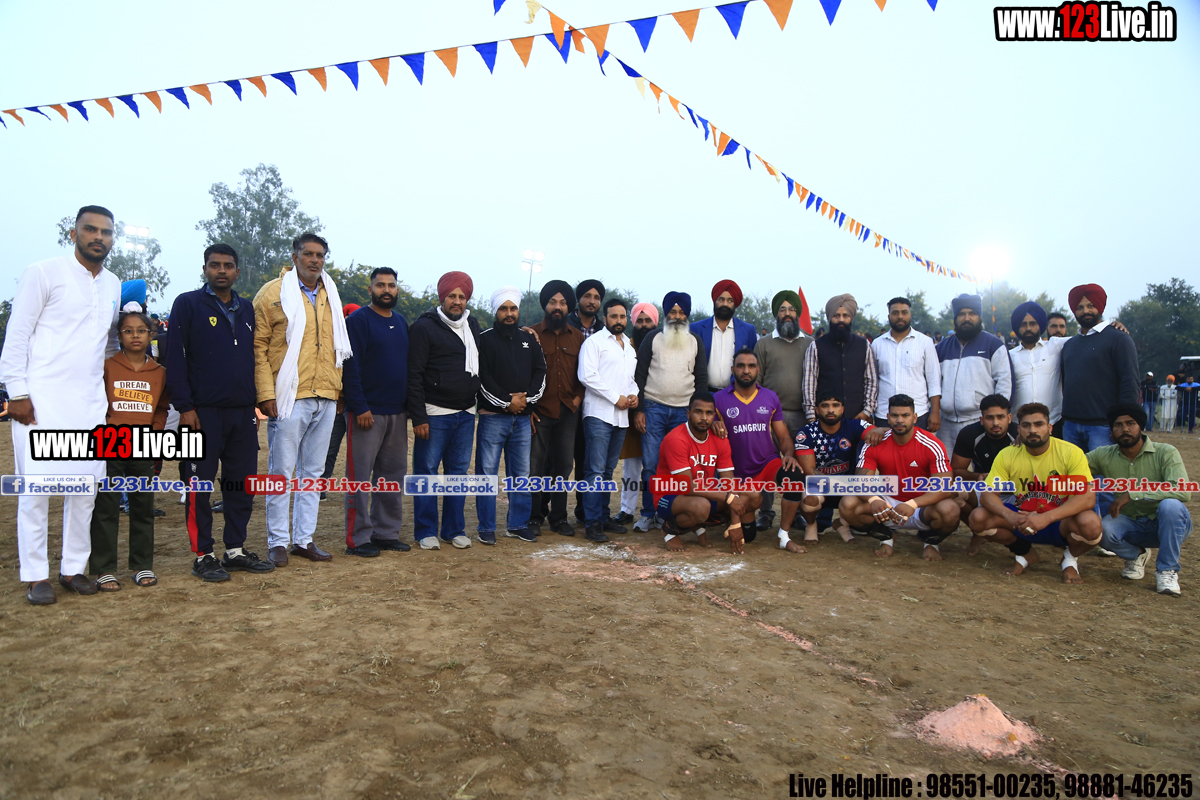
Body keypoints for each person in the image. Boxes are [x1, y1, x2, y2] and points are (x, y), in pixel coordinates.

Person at [1, 206, 121, 604]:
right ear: (74, 234)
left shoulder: (113, 284)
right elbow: (17, 335)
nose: (98, 237)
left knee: (85, 490)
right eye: (90, 229)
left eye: (105, 232)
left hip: (89, 402)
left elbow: (107, 343)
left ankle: (73, 568)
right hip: (41, 401)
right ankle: (35, 576)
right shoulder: (42, 272)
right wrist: (17, 393)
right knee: (36, 491)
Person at [168, 244, 273, 580]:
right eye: (215, 265)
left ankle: (235, 550)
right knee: (199, 484)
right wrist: (185, 407)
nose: (222, 271)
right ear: (205, 270)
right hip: (202, 413)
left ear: (237, 272)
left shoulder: (246, 308)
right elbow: (175, 357)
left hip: (242, 412)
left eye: (228, 265)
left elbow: (254, 357)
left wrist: (255, 404)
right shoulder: (187, 304)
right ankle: (203, 555)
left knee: (240, 484)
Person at [254, 233, 352, 566]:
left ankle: (304, 539)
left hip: (326, 393)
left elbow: (338, 347)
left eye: (320, 255)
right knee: (281, 471)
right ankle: (278, 541)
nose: (314, 260)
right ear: (295, 257)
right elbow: (259, 348)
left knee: (313, 472)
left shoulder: (330, 293)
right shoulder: (273, 293)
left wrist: (338, 391)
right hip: (288, 395)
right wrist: (266, 393)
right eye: (308, 254)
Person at [968, 402, 1103, 583]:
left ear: (1050, 428)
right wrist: (1009, 515)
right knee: (978, 518)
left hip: (1060, 520)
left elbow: (1087, 497)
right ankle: (1024, 553)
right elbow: (987, 494)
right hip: (1022, 518)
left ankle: (1070, 560)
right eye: (1026, 425)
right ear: (1019, 430)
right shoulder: (1007, 454)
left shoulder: (1071, 452)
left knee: (1091, 524)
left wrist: (1047, 517)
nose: (1032, 430)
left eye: (1038, 424)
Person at [89, 310, 171, 591]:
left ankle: (141, 564)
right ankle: (104, 568)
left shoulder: (159, 372)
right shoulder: (107, 367)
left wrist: (155, 430)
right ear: (119, 336)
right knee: (106, 506)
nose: (135, 335)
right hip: (110, 444)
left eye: (141, 330)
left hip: (143, 446)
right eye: (128, 331)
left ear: (151, 335)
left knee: (142, 505)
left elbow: (161, 408)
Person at [406, 271, 482, 550]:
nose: (457, 301)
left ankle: (453, 529)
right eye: (452, 295)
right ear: (442, 297)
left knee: (458, 474)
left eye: (462, 296)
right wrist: (419, 416)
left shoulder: (472, 325)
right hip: (434, 413)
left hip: (466, 413)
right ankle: (425, 531)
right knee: (426, 472)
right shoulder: (424, 327)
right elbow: (413, 374)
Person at [341, 269, 411, 557]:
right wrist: (360, 406)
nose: (386, 290)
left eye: (391, 285)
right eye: (380, 285)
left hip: (397, 412)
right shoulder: (358, 321)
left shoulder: (401, 322)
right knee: (359, 477)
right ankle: (357, 538)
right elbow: (350, 366)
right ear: (370, 290)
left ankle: (386, 533)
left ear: (397, 290)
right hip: (366, 413)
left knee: (392, 476)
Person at [839, 394, 960, 560]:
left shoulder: (932, 444)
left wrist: (913, 503)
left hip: (922, 505)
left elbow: (944, 487)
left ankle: (931, 542)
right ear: (888, 418)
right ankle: (886, 538)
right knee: (848, 504)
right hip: (888, 504)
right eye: (895, 415)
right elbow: (861, 483)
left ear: (915, 418)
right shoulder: (876, 442)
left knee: (950, 510)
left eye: (905, 415)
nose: (899, 420)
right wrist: (873, 499)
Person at [1089, 403, 1192, 596]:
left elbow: (1183, 491)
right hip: (1129, 523)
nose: (1125, 429)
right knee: (1100, 529)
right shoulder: (1103, 455)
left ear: (1141, 426)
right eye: (1118, 425)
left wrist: (1133, 493)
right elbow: (1073, 463)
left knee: (1171, 506)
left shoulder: (1166, 452)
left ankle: (1167, 571)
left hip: (1166, 524)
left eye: (1130, 423)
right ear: (1111, 431)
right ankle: (1137, 555)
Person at [475, 287, 547, 545]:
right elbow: (482, 377)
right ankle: (486, 527)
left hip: (523, 420)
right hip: (493, 418)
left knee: (521, 474)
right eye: (503, 309)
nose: (509, 313)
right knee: (487, 474)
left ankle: (517, 525)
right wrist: (507, 402)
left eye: (513, 308)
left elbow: (541, 372)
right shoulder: (484, 340)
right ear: (495, 311)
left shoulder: (529, 340)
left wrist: (525, 401)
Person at [713, 349, 804, 553]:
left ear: (758, 369)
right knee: (749, 536)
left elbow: (783, 436)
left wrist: (789, 455)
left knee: (794, 475)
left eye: (751, 366)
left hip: (767, 464)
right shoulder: (718, 399)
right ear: (732, 369)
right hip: (735, 473)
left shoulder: (770, 397)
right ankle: (730, 516)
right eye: (741, 366)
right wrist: (712, 424)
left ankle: (784, 536)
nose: (746, 370)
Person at [632, 292, 708, 533]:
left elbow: (701, 378)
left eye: (681, 312)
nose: (677, 317)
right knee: (651, 465)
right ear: (666, 314)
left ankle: (669, 514)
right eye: (673, 312)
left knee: (679, 467)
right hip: (653, 408)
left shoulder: (695, 341)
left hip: (684, 412)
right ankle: (648, 513)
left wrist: (699, 412)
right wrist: (639, 410)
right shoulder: (653, 338)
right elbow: (640, 375)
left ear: (687, 315)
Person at [652, 393, 762, 554]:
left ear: (714, 416)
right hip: (670, 496)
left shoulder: (719, 438)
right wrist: (728, 498)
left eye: (709, 413)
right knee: (701, 506)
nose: (704, 417)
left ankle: (701, 524)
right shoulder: (676, 439)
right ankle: (670, 528)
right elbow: (687, 487)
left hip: (703, 493)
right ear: (688, 414)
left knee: (753, 495)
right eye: (698, 412)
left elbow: (729, 483)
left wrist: (736, 523)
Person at [785, 393, 884, 545]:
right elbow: (810, 472)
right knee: (810, 499)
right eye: (825, 406)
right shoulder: (805, 433)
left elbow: (881, 432)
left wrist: (879, 430)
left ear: (842, 409)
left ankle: (842, 523)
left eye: (835, 405)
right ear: (817, 410)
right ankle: (811, 525)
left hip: (848, 487)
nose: (830, 410)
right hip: (821, 486)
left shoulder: (853, 425)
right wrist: (844, 484)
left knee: (875, 504)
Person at [578, 298, 639, 543]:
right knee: (594, 471)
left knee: (607, 471)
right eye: (614, 316)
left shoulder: (629, 347)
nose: (618, 320)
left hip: (621, 418)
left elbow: (630, 380)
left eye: (622, 316)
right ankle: (592, 523)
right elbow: (587, 376)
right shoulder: (594, 343)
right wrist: (616, 398)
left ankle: (603, 517)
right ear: (605, 319)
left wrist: (633, 395)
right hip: (599, 414)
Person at [528, 280, 585, 537]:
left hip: (568, 412)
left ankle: (559, 518)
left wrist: (578, 398)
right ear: (545, 305)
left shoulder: (578, 338)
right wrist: (528, 408)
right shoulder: (531, 334)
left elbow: (584, 373)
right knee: (535, 467)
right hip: (539, 411)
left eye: (562, 302)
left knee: (563, 467)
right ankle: (533, 516)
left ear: (569, 306)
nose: (558, 307)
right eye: (553, 302)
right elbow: (524, 373)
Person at [754, 290, 811, 530]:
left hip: (801, 415)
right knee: (767, 463)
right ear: (776, 314)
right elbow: (756, 381)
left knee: (798, 465)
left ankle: (796, 512)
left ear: (798, 313)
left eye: (792, 309)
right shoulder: (764, 344)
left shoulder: (810, 343)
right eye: (782, 309)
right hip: (769, 417)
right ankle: (765, 512)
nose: (787, 314)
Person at [1061, 283, 1139, 452]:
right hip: (1070, 426)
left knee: (1100, 470)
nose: (1085, 311)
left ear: (1100, 306)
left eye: (1090, 305)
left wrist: (1122, 423)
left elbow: (1129, 382)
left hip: (1103, 427)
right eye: (1080, 307)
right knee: (1072, 470)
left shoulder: (1119, 339)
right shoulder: (1069, 345)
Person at [934, 293, 1013, 457]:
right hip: (946, 424)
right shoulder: (941, 348)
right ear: (955, 319)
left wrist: (994, 418)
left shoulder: (994, 345)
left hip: (979, 422)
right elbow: (933, 383)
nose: (966, 318)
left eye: (972, 314)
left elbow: (1005, 384)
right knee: (947, 468)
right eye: (961, 314)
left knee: (979, 470)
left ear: (979, 317)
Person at [804, 294, 878, 423]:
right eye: (836, 316)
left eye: (845, 316)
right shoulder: (816, 346)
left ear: (851, 318)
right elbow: (809, 384)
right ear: (830, 318)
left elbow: (871, 381)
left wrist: (866, 412)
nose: (841, 320)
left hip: (858, 418)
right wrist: (811, 416)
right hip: (825, 420)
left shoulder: (864, 345)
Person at [871, 297, 941, 430]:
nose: (900, 316)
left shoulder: (925, 342)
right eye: (895, 313)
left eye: (904, 312)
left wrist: (935, 412)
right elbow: (872, 381)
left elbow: (934, 380)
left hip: (917, 415)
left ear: (910, 315)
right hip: (885, 415)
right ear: (889, 316)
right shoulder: (877, 344)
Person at [567, 279, 605, 522]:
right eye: (587, 296)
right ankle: (548, 513)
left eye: (596, 297)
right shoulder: (563, 323)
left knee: (586, 460)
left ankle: (583, 512)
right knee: (557, 462)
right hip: (565, 402)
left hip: (593, 405)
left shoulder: (605, 330)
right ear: (578, 299)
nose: (592, 301)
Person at [616, 303, 658, 525]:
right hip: (632, 410)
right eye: (639, 321)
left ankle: (658, 509)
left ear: (655, 322)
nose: (643, 325)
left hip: (658, 409)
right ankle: (627, 509)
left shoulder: (661, 344)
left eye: (648, 321)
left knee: (656, 463)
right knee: (632, 464)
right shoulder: (626, 346)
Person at [319, 302, 362, 500]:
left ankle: (357, 490)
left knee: (356, 452)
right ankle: (320, 486)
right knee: (329, 448)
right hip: (337, 402)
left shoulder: (362, 340)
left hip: (354, 403)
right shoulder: (334, 340)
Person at [1009, 301, 1068, 439]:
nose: (1028, 328)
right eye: (1023, 324)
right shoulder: (1010, 355)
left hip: (1053, 422)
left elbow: (1086, 337)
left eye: (1032, 323)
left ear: (1041, 325)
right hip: (1020, 425)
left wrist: (1113, 327)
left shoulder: (1054, 345)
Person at [692, 279, 758, 392]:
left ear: (735, 304)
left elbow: (752, 364)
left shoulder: (748, 330)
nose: (725, 304)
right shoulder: (697, 329)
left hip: (735, 394)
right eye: (721, 299)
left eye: (730, 300)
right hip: (704, 394)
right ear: (714, 301)